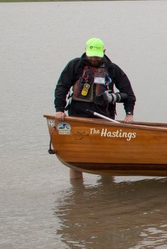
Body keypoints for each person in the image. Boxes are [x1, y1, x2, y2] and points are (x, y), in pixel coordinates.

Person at [53, 37, 137, 179]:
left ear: (104, 52)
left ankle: (106, 185)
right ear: (85, 51)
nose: (93, 59)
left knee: (105, 155)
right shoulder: (74, 66)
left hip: (104, 117)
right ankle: (77, 190)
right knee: (76, 156)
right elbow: (62, 87)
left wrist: (129, 114)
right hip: (77, 117)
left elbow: (128, 92)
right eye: (91, 56)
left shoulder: (112, 69)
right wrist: (59, 109)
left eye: (97, 56)